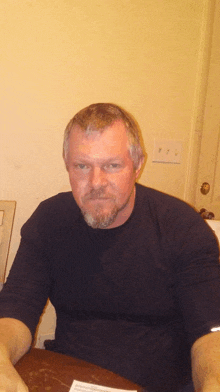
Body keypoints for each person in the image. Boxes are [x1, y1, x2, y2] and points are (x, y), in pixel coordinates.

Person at [0, 103, 220, 392]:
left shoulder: (182, 227)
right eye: (82, 166)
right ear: (67, 164)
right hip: (66, 378)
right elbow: (16, 308)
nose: (96, 183)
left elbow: (211, 331)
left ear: (137, 164)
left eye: (112, 166)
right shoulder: (50, 220)